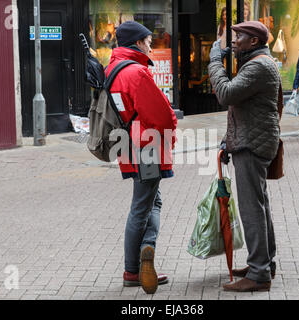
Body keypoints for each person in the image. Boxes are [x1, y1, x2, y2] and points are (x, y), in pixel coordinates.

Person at [208, 21, 281, 292]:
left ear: (253, 41)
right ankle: (264, 264)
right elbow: (245, 107)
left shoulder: (257, 66)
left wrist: (214, 61)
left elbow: (226, 94)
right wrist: (230, 140)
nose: (234, 40)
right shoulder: (257, 62)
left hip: (252, 145)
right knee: (260, 206)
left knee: (252, 209)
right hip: (252, 140)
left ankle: (259, 274)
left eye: (239, 36)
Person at [109, 21, 178, 294]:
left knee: (150, 199)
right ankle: (136, 264)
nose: (151, 44)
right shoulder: (137, 72)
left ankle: (138, 261)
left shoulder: (113, 68)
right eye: (148, 40)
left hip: (129, 143)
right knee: (143, 206)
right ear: (137, 42)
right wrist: (171, 132)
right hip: (147, 145)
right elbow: (161, 115)